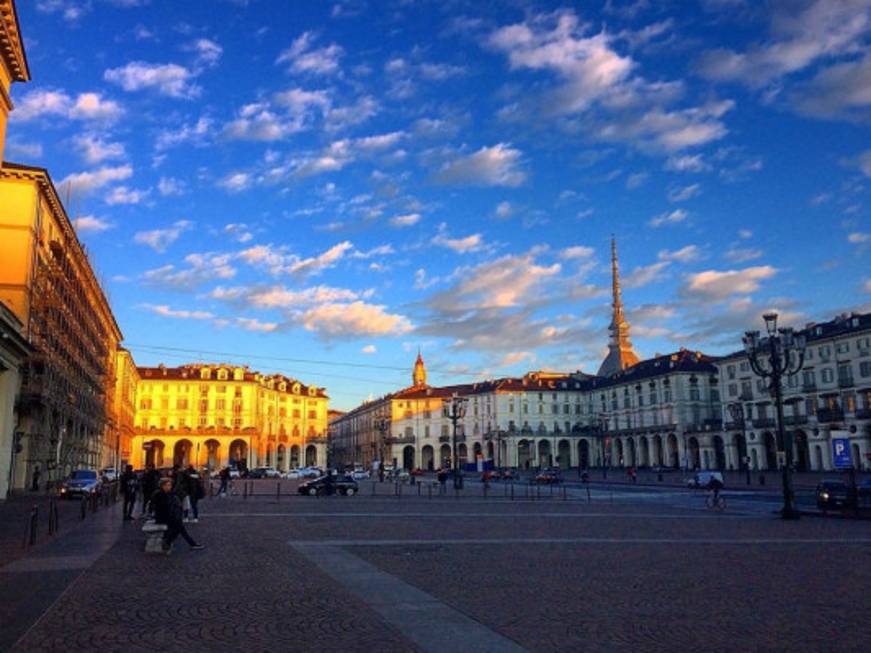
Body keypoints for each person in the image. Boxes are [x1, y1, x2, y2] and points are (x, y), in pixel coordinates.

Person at [151, 478, 204, 554]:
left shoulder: (169, 494)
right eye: (167, 485)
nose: (169, 487)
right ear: (162, 486)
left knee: (180, 527)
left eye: (170, 485)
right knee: (179, 527)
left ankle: (172, 542)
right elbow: (162, 508)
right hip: (163, 517)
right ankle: (169, 542)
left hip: (169, 516)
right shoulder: (160, 495)